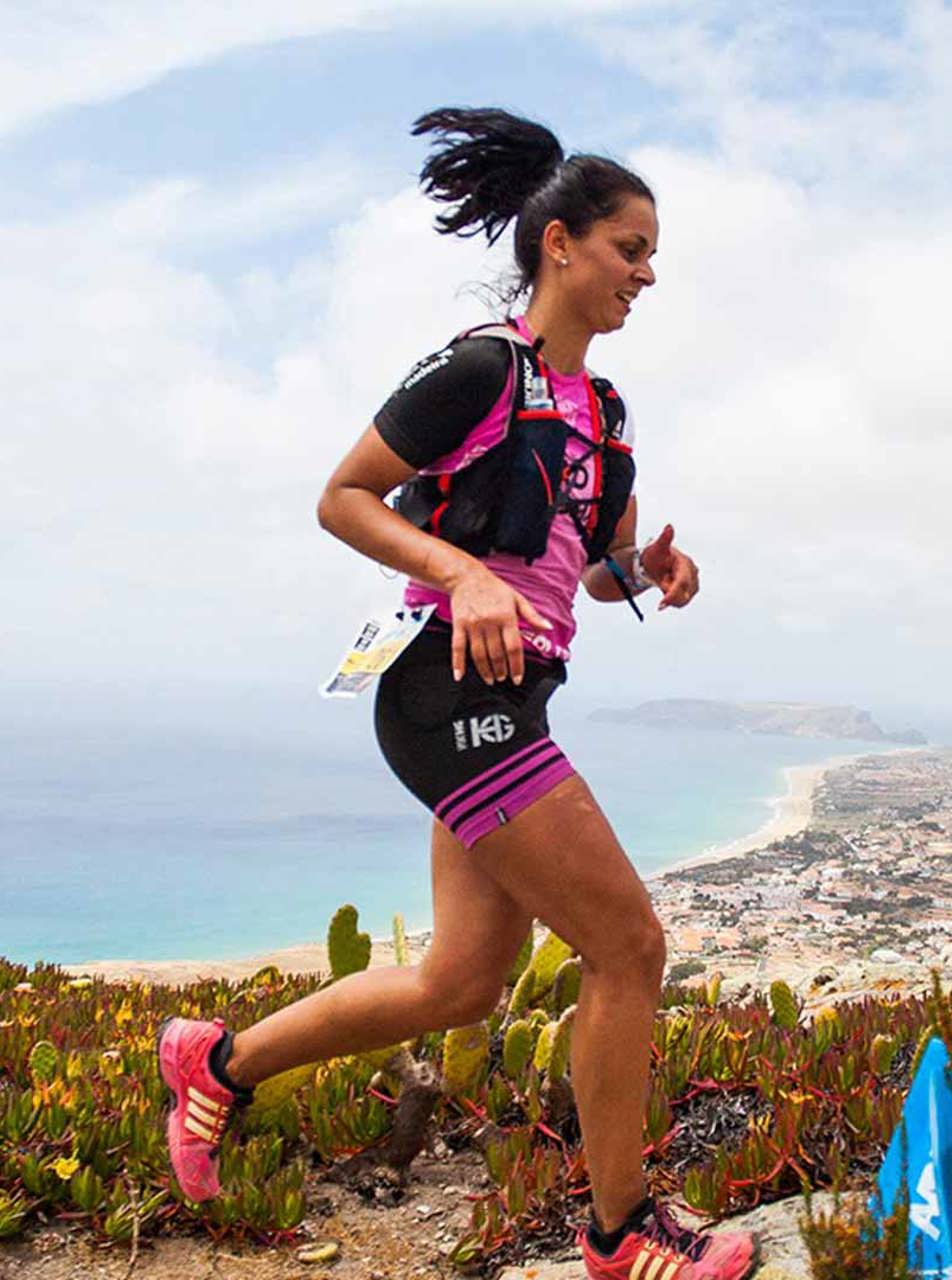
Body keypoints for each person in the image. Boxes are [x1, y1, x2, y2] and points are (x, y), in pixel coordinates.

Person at [156, 108, 758, 1280]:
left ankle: (215, 1063)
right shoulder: (482, 367)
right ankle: (620, 1229)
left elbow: (581, 562)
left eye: (650, 254)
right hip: (441, 688)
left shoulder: (605, 413)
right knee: (628, 945)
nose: (646, 272)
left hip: (511, 697)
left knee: (461, 981)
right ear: (561, 245)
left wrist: (650, 570)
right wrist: (459, 571)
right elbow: (343, 496)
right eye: (630, 247)